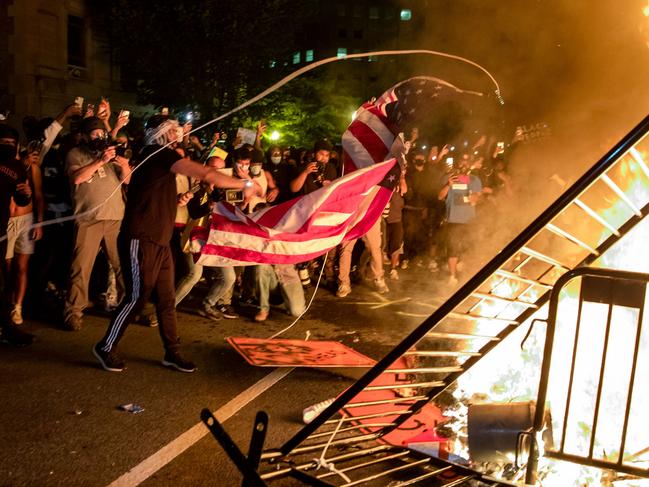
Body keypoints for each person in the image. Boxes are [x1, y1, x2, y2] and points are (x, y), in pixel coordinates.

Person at [94, 116, 253, 373]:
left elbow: (157, 190)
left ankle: (172, 352)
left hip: (161, 240)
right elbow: (205, 172)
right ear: (162, 132)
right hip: (140, 238)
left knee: (167, 299)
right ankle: (106, 345)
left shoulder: (159, 157)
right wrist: (244, 183)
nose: (179, 132)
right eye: (173, 129)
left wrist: (180, 199)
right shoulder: (157, 153)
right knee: (137, 296)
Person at [63, 116, 131, 331]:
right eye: (94, 133)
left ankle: (129, 307)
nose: (99, 137)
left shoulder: (111, 154)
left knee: (122, 265)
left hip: (115, 218)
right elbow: (77, 178)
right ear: (84, 136)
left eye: (101, 133)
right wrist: (100, 161)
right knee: (81, 267)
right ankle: (73, 311)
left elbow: (128, 181)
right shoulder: (76, 154)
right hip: (88, 220)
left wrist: (124, 164)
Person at [0, 125, 35, 346]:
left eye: (10, 143)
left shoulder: (16, 167)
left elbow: (21, 199)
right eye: (2, 142)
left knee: (3, 279)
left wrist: (26, 195)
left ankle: (6, 327)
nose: (6, 147)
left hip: (1, 229)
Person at [5, 142, 44, 325]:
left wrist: (39, 222)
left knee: (21, 267)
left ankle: (17, 307)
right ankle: (5, 305)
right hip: (6, 221)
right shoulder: (5, 165)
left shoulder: (32, 167)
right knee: (6, 268)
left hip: (26, 219)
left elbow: (38, 195)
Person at [438, 154, 482, 285]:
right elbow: (440, 197)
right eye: (462, 161)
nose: (464, 164)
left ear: (470, 164)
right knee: (453, 249)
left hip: (469, 221)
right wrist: (448, 184)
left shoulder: (474, 180)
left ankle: (467, 274)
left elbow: (475, 199)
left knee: (468, 248)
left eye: (467, 161)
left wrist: (472, 196)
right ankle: (452, 276)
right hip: (453, 220)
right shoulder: (449, 178)